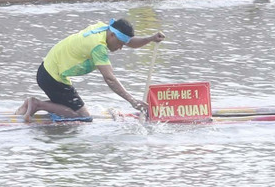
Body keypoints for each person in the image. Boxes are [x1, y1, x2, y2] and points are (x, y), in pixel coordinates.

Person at [16, 18, 165, 121]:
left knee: (69, 106)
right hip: (52, 78)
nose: (120, 48)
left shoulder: (103, 29)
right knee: (83, 116)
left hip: (48, 70)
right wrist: (133, 101)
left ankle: (32, 106)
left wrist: (150, 39)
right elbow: (110, 78)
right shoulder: (98, 47)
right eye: (120, 44)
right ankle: (36, 104)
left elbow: (129, 41)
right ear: (112, 35)